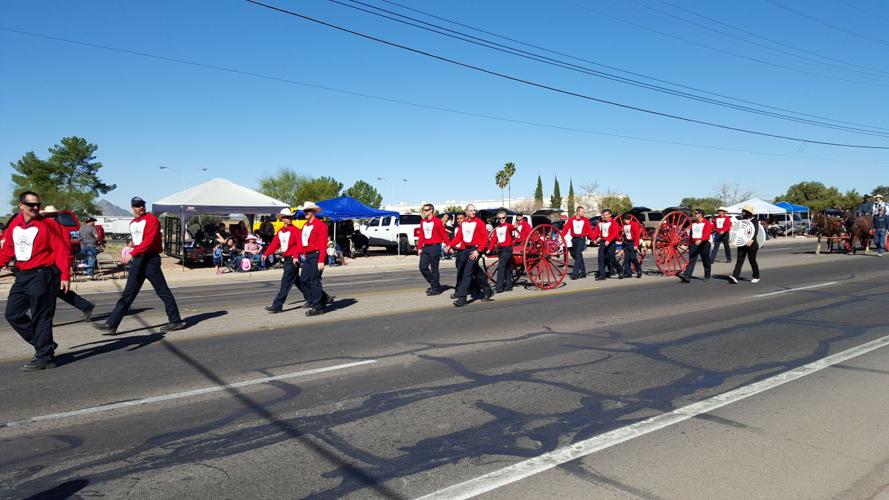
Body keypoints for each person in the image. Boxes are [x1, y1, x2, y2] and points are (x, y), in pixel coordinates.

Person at [94, 197, 186, 334]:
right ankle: (111, 324)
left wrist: (132, 253)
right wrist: (131, 251)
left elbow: (149, 241)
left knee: (162, 291)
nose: (140, 207)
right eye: (137, 205)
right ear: (133, 208)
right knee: (128, 294)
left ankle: (176, 321)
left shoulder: (152, 220)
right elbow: (138, 241)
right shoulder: (132, 223)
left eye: (142, 205)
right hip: (138, 259)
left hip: (150, 260)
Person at [0, 191, 71, 371]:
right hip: (23, 275)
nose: (36, 208)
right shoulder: (14, 225)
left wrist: (65, 275)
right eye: (31, 205)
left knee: (41, 316)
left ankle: (45, 358)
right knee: (13, 314)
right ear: (21, 205)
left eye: (38, 205)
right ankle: (45, 344)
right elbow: (8, 249)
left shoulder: (48, 224)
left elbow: (60, 249)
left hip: (43, 275)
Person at [37, 208, 97, 319]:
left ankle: (44, 321)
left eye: (49, 216)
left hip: (56, 266)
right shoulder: (46, 228)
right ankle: (85, 305)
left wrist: (66, 268)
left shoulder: (60, 230)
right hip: (47, 266)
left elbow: (65, 250)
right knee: (58, 291)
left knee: (50, 293)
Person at [447, 204, 493, 307]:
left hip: (475, 250)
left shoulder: (479, 223)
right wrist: (449, 245)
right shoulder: (464, 223)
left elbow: (485, 239)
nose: (473, 212)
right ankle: (487, 289)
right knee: (476, 271)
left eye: (474, 210)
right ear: (466, 211)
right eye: (471, 210)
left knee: (467, 273)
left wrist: (478, 250)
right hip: (465, 250)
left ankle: (462, 299)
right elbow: (459, 237)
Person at [262, 208, 303, 313]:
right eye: (287, 217)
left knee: (285, 282)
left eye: (290, 217)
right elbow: (275, 244)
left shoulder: (296, 230)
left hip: (293, 259)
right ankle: (320, 297)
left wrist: (296, 256)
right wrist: (266, 253)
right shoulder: (280, 231)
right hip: (287, 259)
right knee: (299, 282)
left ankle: (277, 305)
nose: (290, 219)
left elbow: (299, 245)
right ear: (282, 219)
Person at [298, 202, 330, 316]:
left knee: (314, 281)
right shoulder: (305, 226)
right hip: (308, 256)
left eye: (308, 210)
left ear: (314, 212)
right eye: (304, 211)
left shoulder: (321, 225)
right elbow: (302, 243)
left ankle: (318, 307)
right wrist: (298, 254)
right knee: (304, 280)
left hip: (316, 255)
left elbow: (322, 244)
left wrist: (321, 260)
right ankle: (323, 299)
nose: (305, 213)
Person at [417, 203, 449, 295]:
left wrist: (448, 245)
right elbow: (421, 235)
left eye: (426, 210)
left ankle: (435, 288)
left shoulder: (437, 221)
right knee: (422, 267)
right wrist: (419, 247)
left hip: (435, 247)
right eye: (424, 210)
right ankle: (435, 284)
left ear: (431, 210)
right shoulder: (423, 222)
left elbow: (443, 234)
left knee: (434, 268)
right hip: (426, 247)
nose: (425, 211)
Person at [729, 205, 761, 284]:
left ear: (748, 212)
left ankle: (756, 276)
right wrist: (732, 238)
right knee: (739, 260)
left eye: (744, 211)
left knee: (752, 260)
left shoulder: (754, 220)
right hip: (742, 243)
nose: (742, 213)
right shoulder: (742, 221)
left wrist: (752, 239)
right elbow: (737, 230)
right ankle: (735, 276)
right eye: (742, 211)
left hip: (752, 244)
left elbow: (755, 231)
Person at [560, 206, 594, 280]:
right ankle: (583, 272)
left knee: (578, 254)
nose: (583, 213)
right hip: (574, 239)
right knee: (573, 254)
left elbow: (589, 229)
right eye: (582, 211)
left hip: (582, 239)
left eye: (583, 212)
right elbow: (566, 228)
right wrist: (562, 236)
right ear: (577, 212)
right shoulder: (571, 219)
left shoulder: (585, 220)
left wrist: (592, 238)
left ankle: (575, 274)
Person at [680, 209, 713, 283]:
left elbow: (707, 234)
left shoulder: (707, 223)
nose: (695, 214)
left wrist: (701, 240)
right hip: (694, 244)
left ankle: (707, 275)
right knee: (692, 260)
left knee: (706, 260)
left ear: (700, 214)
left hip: (704, 244)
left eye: (696, 213)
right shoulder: (694, 224)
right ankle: (687, 276)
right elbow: (691, 235)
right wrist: (689, 244)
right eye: (695, 213)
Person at [489, 209, 515, 293]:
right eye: (500, 218)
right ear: (498, 219)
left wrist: (516, 226)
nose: (502, 220)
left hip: (507, 249)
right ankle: (509, 285)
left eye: (503, 218)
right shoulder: (497, 228)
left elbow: (513, 227)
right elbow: (493, 240)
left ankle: (499, 287)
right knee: (506, 267)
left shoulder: (509, 226)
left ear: (506, 217)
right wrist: (489, 249)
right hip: (500, 249)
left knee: (500, 266)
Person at [591, 209, 620, 280]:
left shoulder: (614, 222)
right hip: (603, 242)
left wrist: (609, 240)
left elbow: (615, 232)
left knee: (611, 258)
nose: (605, 216)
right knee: (600, 258)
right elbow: (596, 231)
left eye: (606, 215)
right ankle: (602, 275)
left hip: (611, 243)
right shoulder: (600, 223)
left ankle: (620, 269)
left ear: (610, 215)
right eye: (603, 215)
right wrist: (594, 239)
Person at [621, 215, 644, 279]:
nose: (623, 221)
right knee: (626, 259)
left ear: (626, 219)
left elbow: (637, 235)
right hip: (626, 243)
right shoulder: (624, 225)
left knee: (633, 257)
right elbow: (624, 234)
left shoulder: (634, 224)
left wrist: (636, 245)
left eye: (624, 220)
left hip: (633, 243)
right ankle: (628, 273)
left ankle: (639, 269)